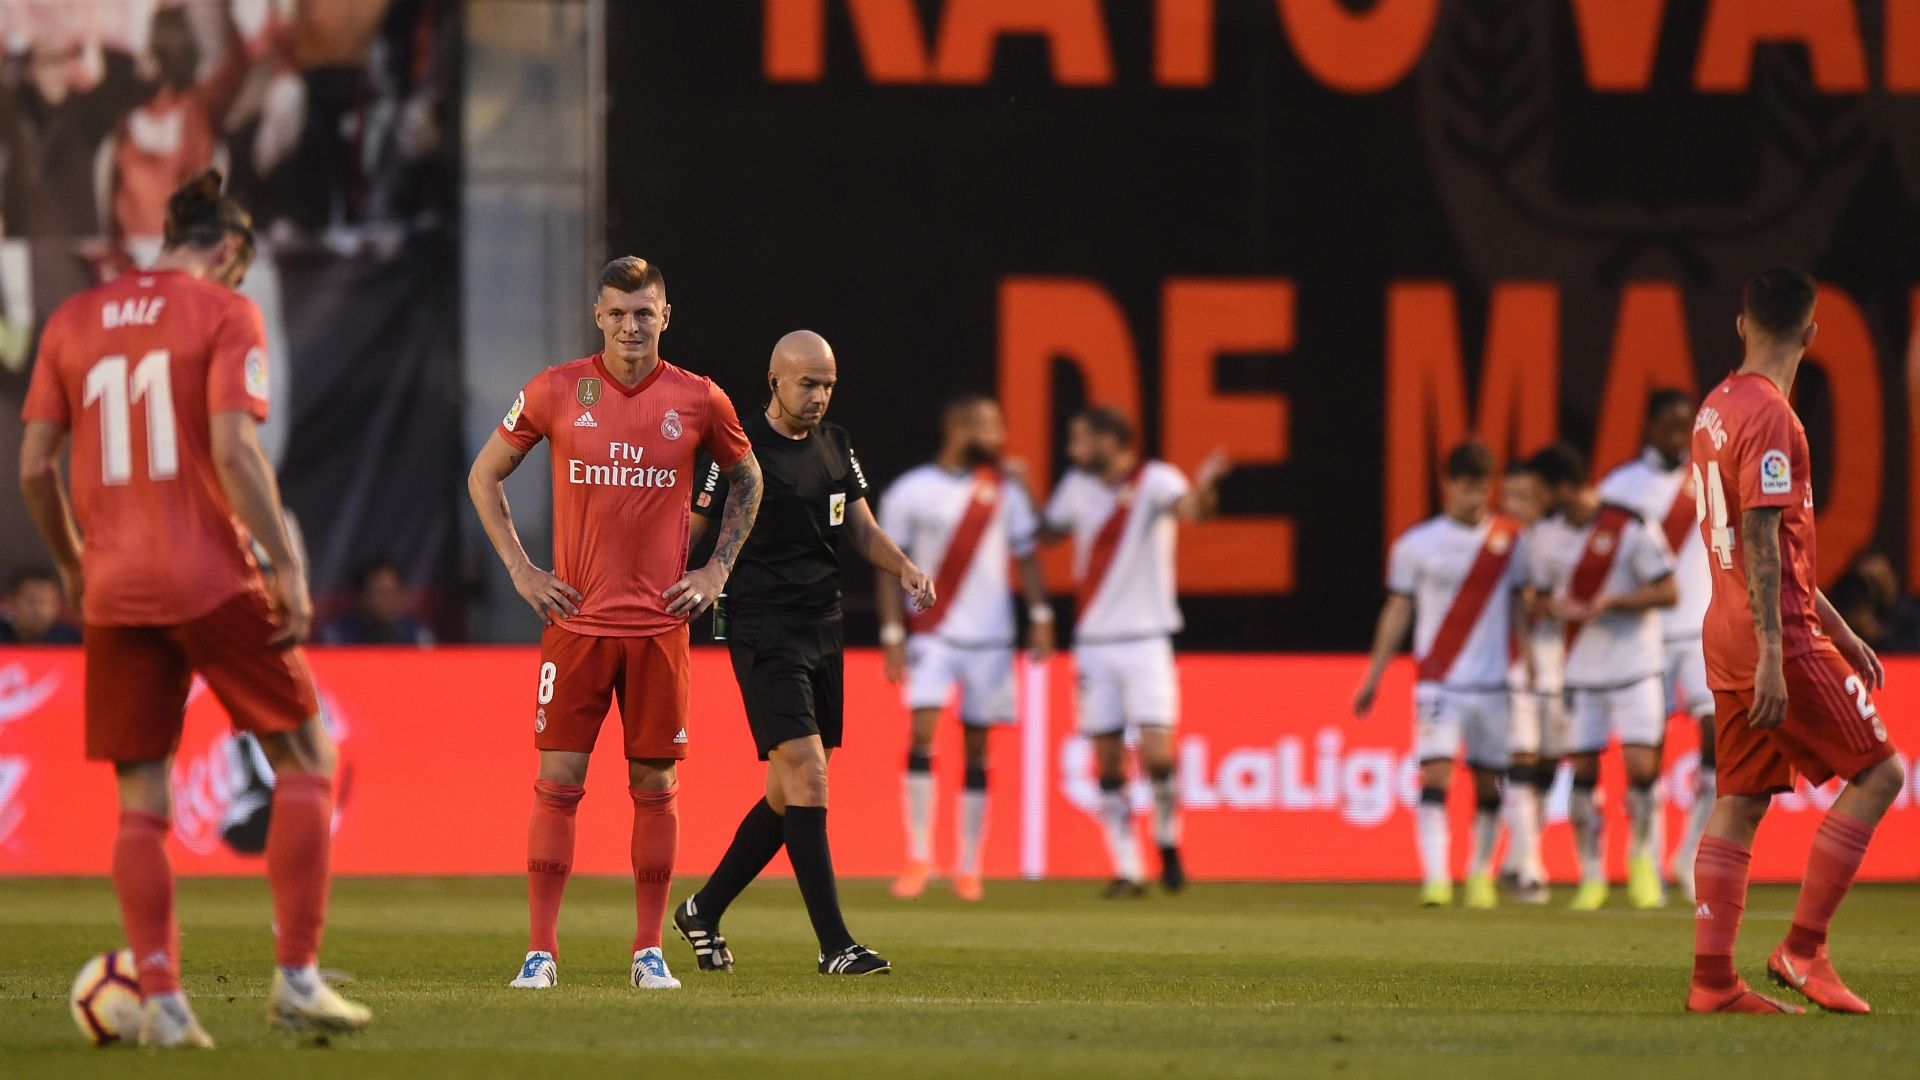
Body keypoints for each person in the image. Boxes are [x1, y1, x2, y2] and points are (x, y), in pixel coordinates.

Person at [16, 170, 368, 1047]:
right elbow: (235, 452)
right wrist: (287, 565)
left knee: (141, 798)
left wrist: (71, 564)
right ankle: (296, 978)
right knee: (306, 755)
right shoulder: (224, 311)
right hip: (209, 576)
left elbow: (33, 469)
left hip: (114, 590)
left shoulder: (72, 319)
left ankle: (165, 1003)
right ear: (231, 251)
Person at [469, 256, 759, 992]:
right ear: (598, 316)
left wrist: (717, 571)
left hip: (660, 628)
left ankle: (647, 951)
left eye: (644, 313)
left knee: (655, 785)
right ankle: (540, 952)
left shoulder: (699, 398)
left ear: (666, 316)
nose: (632, 327)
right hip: (577, 624)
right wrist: (522, 570)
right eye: (619, 314)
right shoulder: (557, 389)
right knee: (557, 782)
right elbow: (484, 474)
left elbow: (748, 477)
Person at [674, 329, 933, 976]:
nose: (818, 396)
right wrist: (653, 584)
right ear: (775, 381)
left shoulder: (836, 444)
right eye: (808, 383)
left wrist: (903, 566)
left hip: (825, 626)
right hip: (762, 627)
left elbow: (861, 529)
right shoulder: (737, 450)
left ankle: (703, 910)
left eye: (828, 385)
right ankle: (835, 945)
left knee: (789, 792)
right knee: (810, 775)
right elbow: (689, 529)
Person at [1685, 268, 1904, 1015]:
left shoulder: (1716, 406)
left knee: (1741, 799)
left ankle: (1713, 983)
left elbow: (1776, 545)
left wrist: (1841, 628)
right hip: (1772, 634)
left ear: (1742, 325)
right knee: (1881, 774)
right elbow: (1760, 534)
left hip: (1725, 627)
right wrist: (1779, 654)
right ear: (1811, 334)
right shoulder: (1773, 417)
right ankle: (1803, 949)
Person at [1040, 407, 1229, 898]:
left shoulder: (1156, 480)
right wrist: (1018, 494)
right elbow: (1047, 532)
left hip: (1148, 639)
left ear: (1110, 440)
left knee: (1158, 755)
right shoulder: (1077, 487)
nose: (1072, 450)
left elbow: (1194, 510)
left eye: (1080, 439)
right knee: (1107, 760)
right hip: (1094, 643)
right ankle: (1127, 867)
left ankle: (1167, 840)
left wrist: (1207, 487)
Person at [876, 394, 1053, 903]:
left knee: (978, 746)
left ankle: (969, 863)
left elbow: (1030, 552)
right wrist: (892, 633)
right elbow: (887, 567)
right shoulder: (912, 489)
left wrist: (1041, 616)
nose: (999, 436)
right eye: (989, 426)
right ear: (960, 427)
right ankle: (919, 855)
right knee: (922, 732)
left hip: (990, 638)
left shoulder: (1004, 489)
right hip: (932, 632)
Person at [1354, 442, 1526, 908]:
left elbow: (1522, 609)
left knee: (1490, 783)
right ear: (1447, 485)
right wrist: (1373, 676)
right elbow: (1397, 609)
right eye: (1466, 486)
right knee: (1436, 776)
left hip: (1494, 683)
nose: (1475, 497)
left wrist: (1531, 668)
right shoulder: (1416, 544)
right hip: (1439, 680)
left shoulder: (1512, 542)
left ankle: (1479, 874)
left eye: (1482, 487)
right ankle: (1435, 877)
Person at [1525, 443, 1678, 911]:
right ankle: (1591, 874)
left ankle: (1642, 861)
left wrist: (1615, 602)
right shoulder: (1544, 536)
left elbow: (1668, 591)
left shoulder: (1630, 525)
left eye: (1540, 490)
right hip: (1579, 671)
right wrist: (1554, 607)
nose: (1535, 499)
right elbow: (1537, 598)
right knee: (1583, 774)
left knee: (1642, 769)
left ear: (1563, 487)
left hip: (1635, 667)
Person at [1596, 389, 1715, 902]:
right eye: (1668, 424)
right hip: (1642, 637)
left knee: (1720, 742)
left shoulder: (1710, 477)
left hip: (1703, 629)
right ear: (1647, 425)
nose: (1676, 434)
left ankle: (1689, 855)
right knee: (1648, 758)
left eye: (1684, 425)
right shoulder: (1620, 487)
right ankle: (1644, 854)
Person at [1498, 459, 1554, 903]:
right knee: (1522, 758)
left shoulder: (1558, 541)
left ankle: (1517, 857)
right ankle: (1531, 866)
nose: (1515, 505)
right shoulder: (1499, 544)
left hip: (1564, 664)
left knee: (1548, 767)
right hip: (1513, 663)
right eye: (1509, 496)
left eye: (1525, 496)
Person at [320, 559, 434, 646]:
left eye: (391, 592)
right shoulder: (336, 636)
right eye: (379, 592)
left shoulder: (416, 635)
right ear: (361, 597)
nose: (387, 600)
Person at [0, 567, 81, 643]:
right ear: (11, 602)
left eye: (46, 602)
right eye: (31, 601)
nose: (38, 610)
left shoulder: (69, 639)